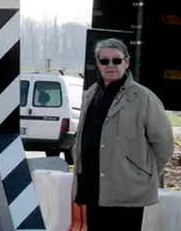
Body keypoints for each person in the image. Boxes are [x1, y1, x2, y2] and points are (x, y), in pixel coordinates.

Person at [72, 37, 174, 230]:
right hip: (93, 190)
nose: (111, 65)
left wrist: (143, 176)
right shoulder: (91, 94)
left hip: (127, 194)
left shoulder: (143, 97)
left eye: (117, 60)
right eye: (105, 61)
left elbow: (164, 144)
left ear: (126, 63)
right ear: (98, 64)